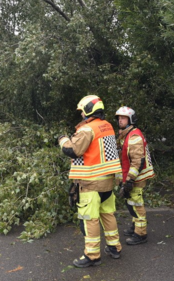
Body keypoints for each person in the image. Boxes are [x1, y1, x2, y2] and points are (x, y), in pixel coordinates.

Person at [58, 95, 123, 268]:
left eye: (82, 111)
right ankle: (114, 248)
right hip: (107, 182)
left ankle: (92, 255)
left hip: (91, 183)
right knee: (108, 215)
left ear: (88, 109)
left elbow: (74, 151)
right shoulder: (107, 126)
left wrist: (63, 140)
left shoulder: (87, 129)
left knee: (89, 219)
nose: (81, 115)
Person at [115, 106, 155, 245]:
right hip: (131, 176)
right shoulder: (126, 134)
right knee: (131, 202)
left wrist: (130, 180)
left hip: (137, 177)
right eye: (119, 118)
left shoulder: (134, 136)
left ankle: (141, 234)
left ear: (131, 119)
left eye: (123, 118)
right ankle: (135, 226)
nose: (120, 120)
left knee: (136, 204)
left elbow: (138, 160)